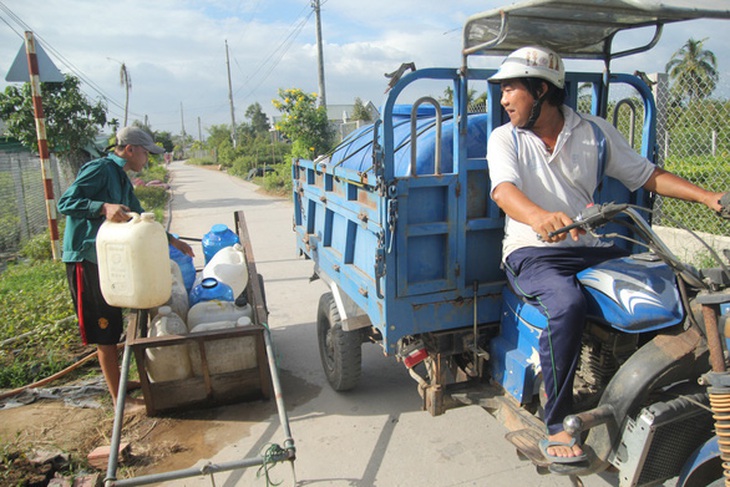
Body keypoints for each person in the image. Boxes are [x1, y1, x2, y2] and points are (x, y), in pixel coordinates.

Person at [486, 46, 725, 463]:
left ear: (540, 90)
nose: (503, 99)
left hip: (587, 246)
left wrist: (710, 198)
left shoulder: (594, 132)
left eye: (510, 89)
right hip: (532, 253)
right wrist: (540, 216)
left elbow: (646, 174)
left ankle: (667, 381)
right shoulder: (505, 137)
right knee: (567, 304)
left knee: (671, 278)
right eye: (503, 91)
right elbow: (504, 191)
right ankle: (557, 421)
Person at [58, 126, 194, 411]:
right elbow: (65, 202)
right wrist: (102, 207)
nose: (147, 159)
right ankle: (119, 400)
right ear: (130, 149)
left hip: (108, 259)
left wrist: (173, 242)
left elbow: (140, 218)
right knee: (104, 328)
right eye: (145, 153)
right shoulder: (99, 169)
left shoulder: (121, 177)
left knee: (115, 322)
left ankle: (121, 382)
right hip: (86, 258)